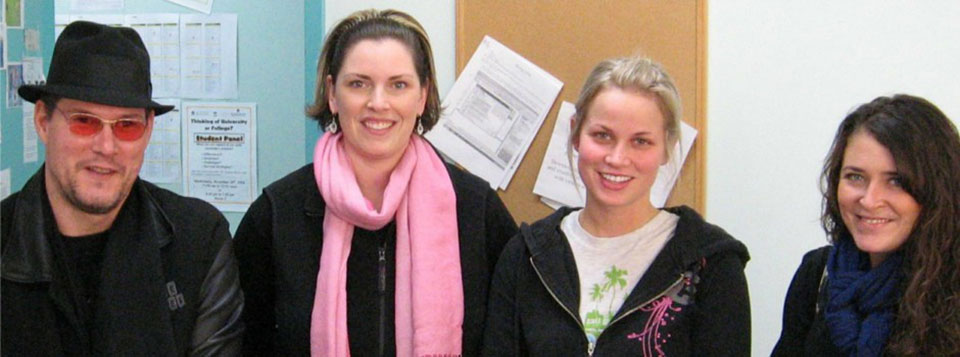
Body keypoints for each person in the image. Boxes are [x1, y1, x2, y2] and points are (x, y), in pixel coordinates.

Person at [233, 9, 518, 356]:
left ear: (422, 96)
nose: (377, 103)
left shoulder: (476, 211)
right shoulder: (276, 214)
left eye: (398, 85)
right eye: (358, 84)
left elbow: (513, 338)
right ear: (333, 94)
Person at [1, 21, 243, 355]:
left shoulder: (199, 242)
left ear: (148, 131)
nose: (106, 146)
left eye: (127, 126)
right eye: (84, 121)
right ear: (43, 121)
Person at [482, 55, 751, 356]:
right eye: (603, 135)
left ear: (667, 147)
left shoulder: (711, 263)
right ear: (575, 133)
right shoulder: (525, 257)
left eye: (641, 141)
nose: (617, 158)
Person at [773, 95, 960, 356]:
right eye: (855, 177)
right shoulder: (816, 275)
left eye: (895, 181)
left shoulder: (950, 290)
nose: (870, 200)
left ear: (938, 191)